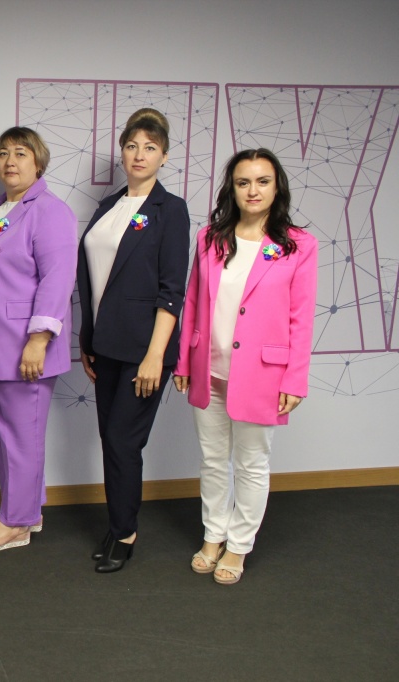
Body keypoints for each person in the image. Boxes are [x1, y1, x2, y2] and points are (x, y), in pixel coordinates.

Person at [174, 149, 317, 585]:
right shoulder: (210, 238)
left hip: (262, 374)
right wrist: (184, 360)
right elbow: (193, 302)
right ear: (231, 189)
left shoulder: (298, 245)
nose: (253, 191)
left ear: (277, 187)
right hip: (209, 368)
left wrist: (295, 378)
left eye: (262, 181)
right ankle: (213, 535)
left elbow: (301, 318)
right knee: (213, 460)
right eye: (243, 182)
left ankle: (238, 545)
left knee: (252, 463)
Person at [77, 108, 190, 573]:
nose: (139, 154)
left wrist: (155, 356)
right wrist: (87, 337)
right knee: (111, 440)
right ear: (122, 152)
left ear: (164, 156)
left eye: (150, 147)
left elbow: (172, 289)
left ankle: (125, 532)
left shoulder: (171, 210)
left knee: (124, 441)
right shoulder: (108, 206)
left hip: (145, 350)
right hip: (105, 345)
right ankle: (117, 521)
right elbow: (95, 278)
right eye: (131, 146)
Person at [0, 127, 78, 552]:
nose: (11, 161)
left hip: (23, 343)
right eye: (4, 153)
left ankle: (18, 521)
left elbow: (57, 279)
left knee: (21, 435)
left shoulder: (50, 210)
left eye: (21, 153)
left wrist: (38, 340)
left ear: (39, 162)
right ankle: (23, 508)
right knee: (9, 433)